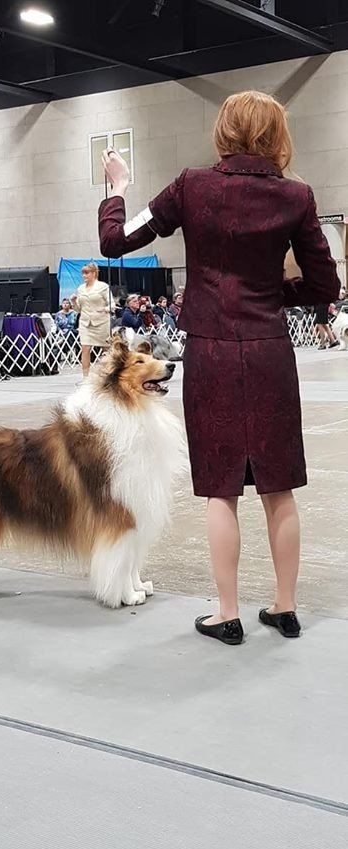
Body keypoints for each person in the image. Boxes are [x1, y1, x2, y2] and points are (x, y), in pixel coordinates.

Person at [99, 90, 339, 645]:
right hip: (270, 352)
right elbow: (325, 285)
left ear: (224, 131)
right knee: (280, 487)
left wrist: (117, 187)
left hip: (210, 353)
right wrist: (273, 295)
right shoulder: (297, 195)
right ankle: (285, 608)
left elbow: (113, 242)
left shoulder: (191, 185)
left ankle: (226, 613)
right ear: (277, 135)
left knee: (221, 489)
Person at [75, 263, 110, 377]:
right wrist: (73, 301)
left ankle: (108, 374)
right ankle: (85, 377)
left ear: (94, 273)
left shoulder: (103, 287)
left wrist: (106, 309)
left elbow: (112, 304)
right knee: (85, 348)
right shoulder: (80, 289)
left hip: (101, 322)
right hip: (85, 323)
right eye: (83, 273)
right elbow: (78, 309)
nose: (84, 276)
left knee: (106, 349)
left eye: (87, 273)